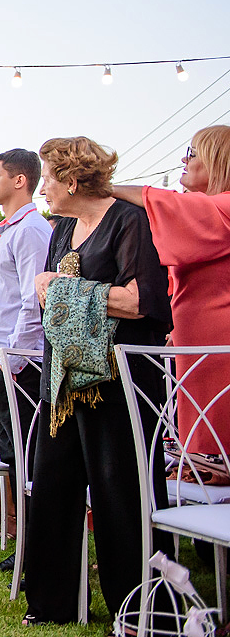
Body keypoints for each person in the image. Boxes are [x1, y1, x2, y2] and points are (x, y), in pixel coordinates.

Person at [21, 137, 171, 626]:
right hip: (65, 380)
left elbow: (140, 301)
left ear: (70, 179)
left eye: (46, 177)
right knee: (53, 489)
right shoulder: (62, 229)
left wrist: (61, 289)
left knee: (120, 493)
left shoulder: (130, 222)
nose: (42, 187)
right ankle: (52, 606)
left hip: (119, 382)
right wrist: (54, 290)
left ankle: (141, 610)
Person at [113, 125, 230, 456]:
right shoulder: (207, 207)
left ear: (218, 159)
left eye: (192, 152)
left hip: (219, 342)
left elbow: (166, 203)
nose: (183, 158)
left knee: (215, 431)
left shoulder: (223, 206)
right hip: (197, 339)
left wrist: (104, 188)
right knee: (201, 424)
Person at [0, 150, 51, 570]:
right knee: (10, 456)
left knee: (28, 457)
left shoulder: (32, 231)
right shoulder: (6, 232)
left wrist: (14, 361)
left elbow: (32, 301)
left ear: (19, 181)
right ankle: (22, 550)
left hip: (12, 362)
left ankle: (33, 554)